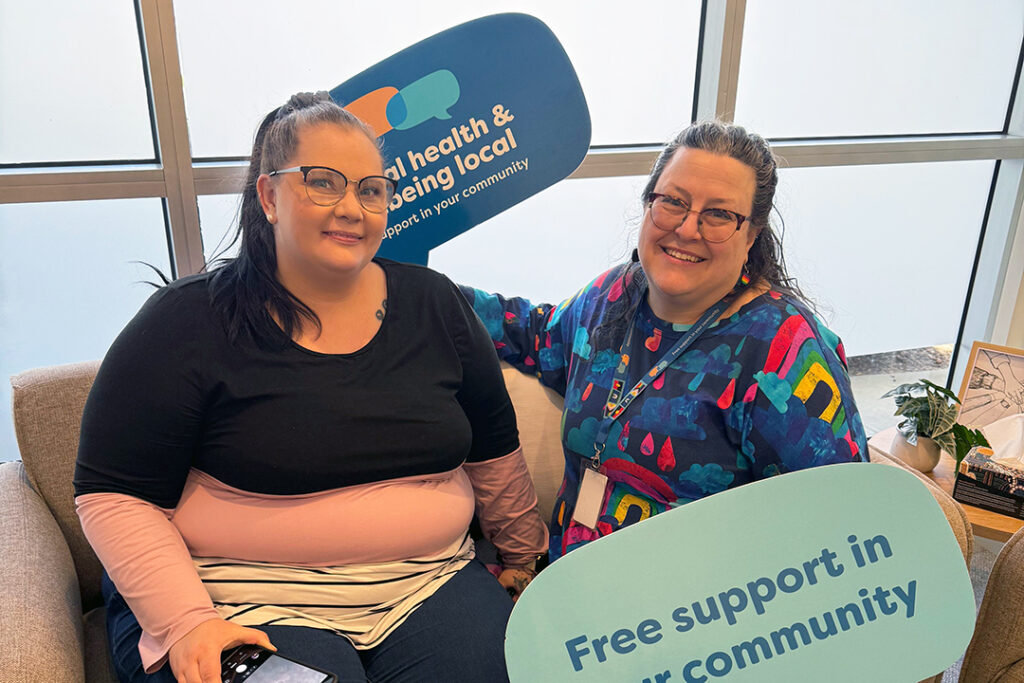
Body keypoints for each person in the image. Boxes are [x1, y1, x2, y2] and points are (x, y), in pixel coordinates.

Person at [74, 92, 546, 683]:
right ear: (269, 195)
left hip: (428, 583)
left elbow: (495, 452)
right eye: (323, 182)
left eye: (370, 189)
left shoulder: (436, 304)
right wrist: (185, 622)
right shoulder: (184, 322)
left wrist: (525, 561)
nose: (352, 207)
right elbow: (113, 494)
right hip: (235, 598)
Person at [460, 120, 868, 562]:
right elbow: (536, 333)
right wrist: (414, 291)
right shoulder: (614, 295)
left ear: (752, 235)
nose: (688, 229)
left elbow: (838, 521)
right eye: (673, 202)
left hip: (696, 614)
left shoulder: (782, 350)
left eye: (718, 215)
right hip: (567, 587)